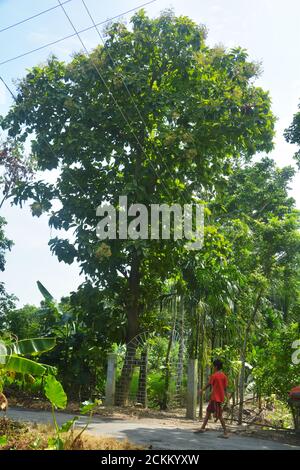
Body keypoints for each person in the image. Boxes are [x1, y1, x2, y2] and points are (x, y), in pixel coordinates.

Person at [195, 359, 229, 438]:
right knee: (208, 412)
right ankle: (202, 428)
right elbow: (226, 388)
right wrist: (227, 398)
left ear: (216, 367)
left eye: (214, 366)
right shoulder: (224, 376)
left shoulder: (214, 376)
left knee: (219, 415)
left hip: (215, 398)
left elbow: (209, 384)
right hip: (218, 398)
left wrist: (202, 390)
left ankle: (225, 432)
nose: (213, 368)